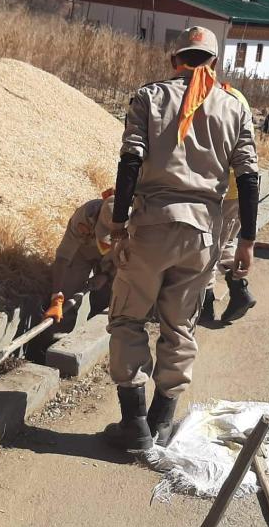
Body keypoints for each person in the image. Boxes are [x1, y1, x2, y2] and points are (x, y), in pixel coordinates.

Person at [104, 26, 259, 450]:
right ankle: (161, 421)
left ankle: (134, 426)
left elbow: (130, 159)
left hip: (152, 225)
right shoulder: (234, 107)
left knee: (127, 318)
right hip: (204, 234)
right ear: (214, 63)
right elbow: (247, 176)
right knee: (180, 326)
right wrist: (247, 239)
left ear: (176, 60)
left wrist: (119, 223)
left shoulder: (149, 97)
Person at [200, 82, 257, 327]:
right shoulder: (237, 96)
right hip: (239, 187)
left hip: (222, 187)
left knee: (207, 252)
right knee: (224, 244)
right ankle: (239, 291)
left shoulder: (211, 99)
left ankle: (206, 305)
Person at [51, 191, 117, 314]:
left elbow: (130, 260)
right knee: (69, 292)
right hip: (84, 252)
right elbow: (63, 257)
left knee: (112, 289)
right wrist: (56, 296)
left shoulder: (134, 226)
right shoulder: (85, 216)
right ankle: (61, 330)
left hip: (113, 257)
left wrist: (107, 274)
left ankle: (97, 319)